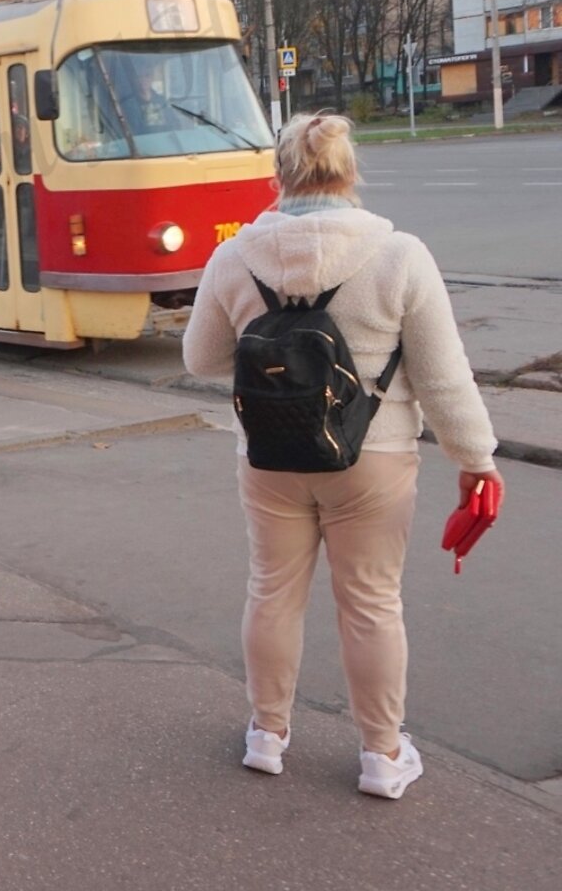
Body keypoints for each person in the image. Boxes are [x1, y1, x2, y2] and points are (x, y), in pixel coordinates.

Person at [183, 113, 503, 800]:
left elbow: (200, 357)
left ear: (280, 175)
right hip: (374, 456)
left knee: (271, 591)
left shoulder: (235, 256)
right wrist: (476, 459)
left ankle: (267, 737)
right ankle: (383, 758)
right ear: (350, 172)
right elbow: (445, 377)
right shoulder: (399, 255)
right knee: (371, 604)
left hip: (269, 460)